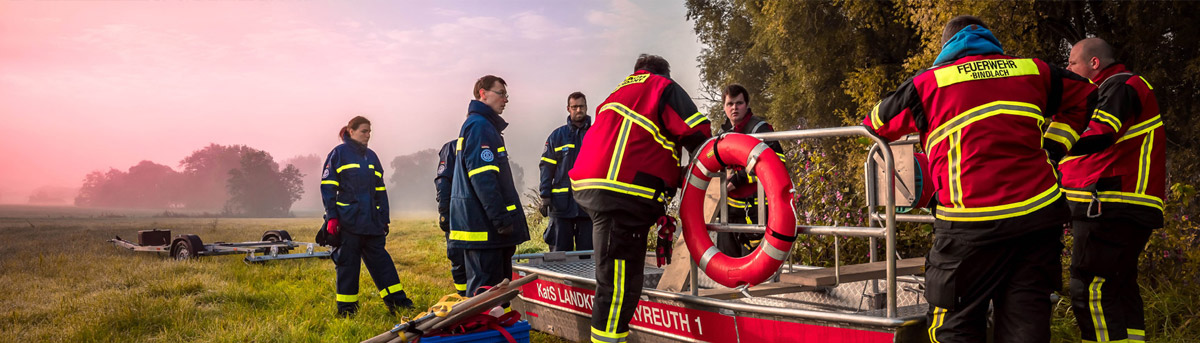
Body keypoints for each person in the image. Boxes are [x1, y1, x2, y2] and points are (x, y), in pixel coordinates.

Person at [862, 16, 1096, 342]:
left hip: (969, 225)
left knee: (954, 328)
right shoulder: (1032, 70)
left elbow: (875, 122)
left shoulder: (930, 83)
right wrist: (1052, 148)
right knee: (1027, 327)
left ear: (947, 47)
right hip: (1037, 220)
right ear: (992, 42)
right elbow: (1086, 97)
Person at [570, 54, 711, 343]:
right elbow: (696, 131)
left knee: (615, 278)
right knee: (619, 285)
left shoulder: (618, 93)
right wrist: (718, 158)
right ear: (665, 74)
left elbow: (640, 144)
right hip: (623, 193)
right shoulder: (662, 87)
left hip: (593, 187)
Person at [1061, 37, 1163, 343]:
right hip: (1122, 205)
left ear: (1094, 63)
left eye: (1072, 63)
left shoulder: (1119, 86)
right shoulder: (1117, 88)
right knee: (1119, 289)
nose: (1067, 69)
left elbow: (1099, 133)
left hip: (1110, 204)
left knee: (1090, 290)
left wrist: (1045, 142)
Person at [320, 115, 413, 317]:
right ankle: (347, 311)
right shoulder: (338, 154)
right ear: (351, 131)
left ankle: (398, 304)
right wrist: (333, 217)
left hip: (371, 223)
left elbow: (380, 190)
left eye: (369, 131)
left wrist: (384, 218)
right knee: (348, 268)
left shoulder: (371, 157)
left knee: (383, 265)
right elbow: (328, 187)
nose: (368, 135)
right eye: (364, 131)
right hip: (348, 223)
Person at [448, 75, 530, 298]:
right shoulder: (480, 127)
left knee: (498, 291)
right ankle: (485, 330)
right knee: (486, 293)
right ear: (483, 94)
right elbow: (484, 179)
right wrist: (501, 220)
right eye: (501, 93)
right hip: (485, 230)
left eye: (507, 96)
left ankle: (499, 330)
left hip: (487, 229)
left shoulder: (484, 126)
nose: (505, 100)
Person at [713, 84, 785, 257]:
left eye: (739, 103)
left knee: (755, 268)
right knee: (728, 262)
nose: (734, 108)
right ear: (724, 107)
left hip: (756, 210)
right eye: (730, 104)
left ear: (746, 105)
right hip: (728, 212)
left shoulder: (761, 130)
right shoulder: (722, 134)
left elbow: (777, 163)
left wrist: (739, 178)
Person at [538, 91, 593, 253]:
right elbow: (546, 167)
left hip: (588, 206)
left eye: (581, 106)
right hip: (561, 206)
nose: (578, 110)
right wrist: (545, 196)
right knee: (559, 255)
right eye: (574, 107)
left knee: (589, 256)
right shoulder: (557, 136)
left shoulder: (596, 134)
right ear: (568, 109)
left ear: (586, 107)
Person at [435, 139, 468, 296]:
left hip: (477, 214)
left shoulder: (485, 143)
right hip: (457, 214)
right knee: (458, 256)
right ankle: (463, 296)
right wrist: (444, 212)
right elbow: (443, 182)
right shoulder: (451, 148)